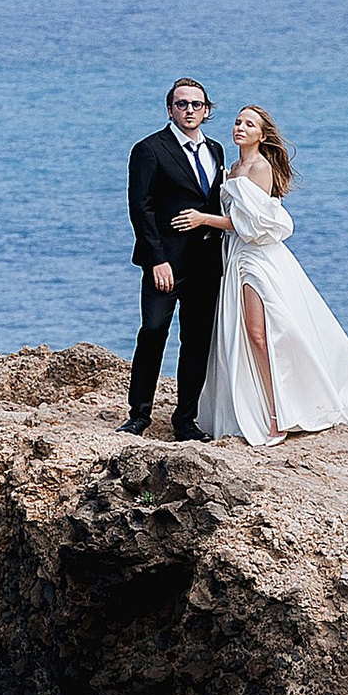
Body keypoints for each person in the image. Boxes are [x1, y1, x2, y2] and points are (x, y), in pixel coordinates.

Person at [178, 103, 348, 445]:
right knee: (239, 334)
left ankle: (277, 415)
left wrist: (203, 220)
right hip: (234, 256)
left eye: (249, 124)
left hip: (256, 258)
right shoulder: (233, 165)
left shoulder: (259, 168)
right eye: (238, 122)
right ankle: (255, 407)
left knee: (258, 333)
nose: (240, 127)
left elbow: (251, 227)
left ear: (261, 135)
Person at [126, 78, 228, 440]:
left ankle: (185, 419)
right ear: (170, 109)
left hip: (205, 263)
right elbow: (141, 207)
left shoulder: (216, 150)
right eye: (182, 104)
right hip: (164, 263)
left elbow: (213, 203)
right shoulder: (149, 149)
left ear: (206, 110)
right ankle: (139, 415)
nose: (189, 110)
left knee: (197, 340)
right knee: (153, 332)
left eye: (196, 105)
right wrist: (156, 259)